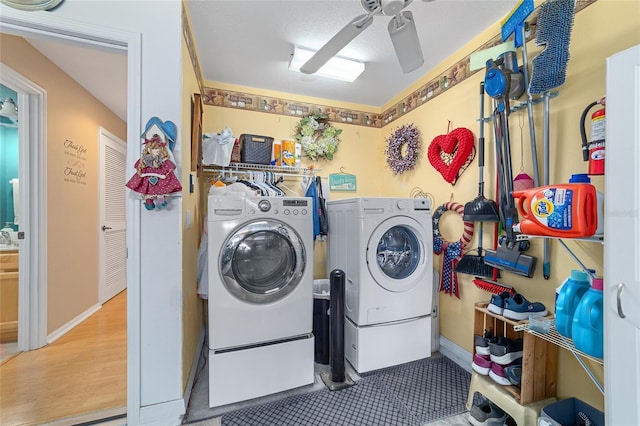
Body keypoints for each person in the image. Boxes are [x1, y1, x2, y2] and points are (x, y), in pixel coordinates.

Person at [126, 134, 182, 210]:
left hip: (160, 178)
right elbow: (138, 166)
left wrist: (165, 174)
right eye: (153, 149)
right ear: (148, 149)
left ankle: (161, 201)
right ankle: (149, 202)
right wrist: (141, 173)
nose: (155, 151)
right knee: (147, 188)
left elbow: (170, 167)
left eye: (157, 149)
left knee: (162, 188)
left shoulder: (162, 161)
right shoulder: (145, 160)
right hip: (147, 177)